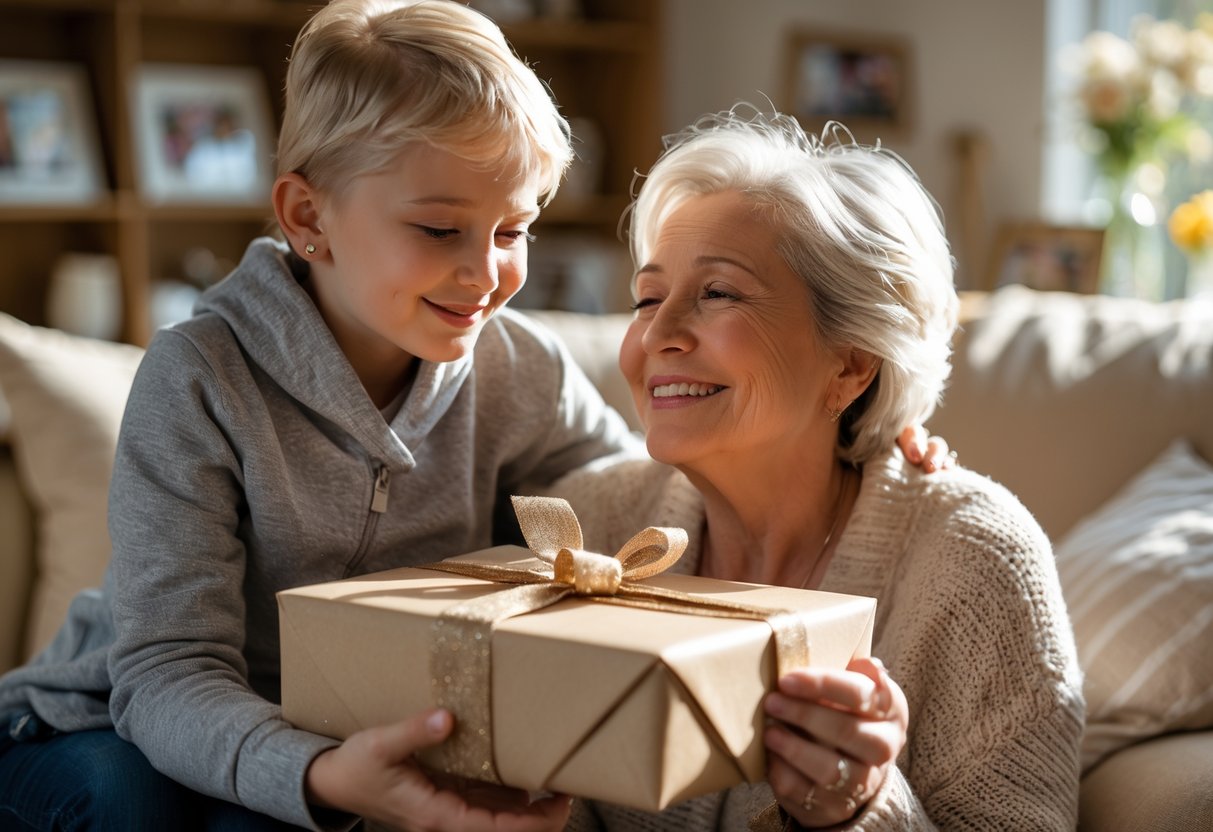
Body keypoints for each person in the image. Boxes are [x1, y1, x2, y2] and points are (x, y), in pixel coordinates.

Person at [0, 2, 624, 829]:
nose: (485, 272)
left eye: (513, 228)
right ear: (307, 218)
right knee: (134, 800)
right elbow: (168, 672)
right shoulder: (199, 376)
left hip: (341, 730)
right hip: (103, 720)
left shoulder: (523, 369)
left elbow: (628, 503)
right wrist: (321, 773)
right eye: (440, 228)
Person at [552, 108, 1085, 830]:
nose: (658, 334)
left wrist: (862, 810)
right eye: (647, 297)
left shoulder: (976, 561)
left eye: (717, 293)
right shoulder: (586, 529)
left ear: (851, 364)